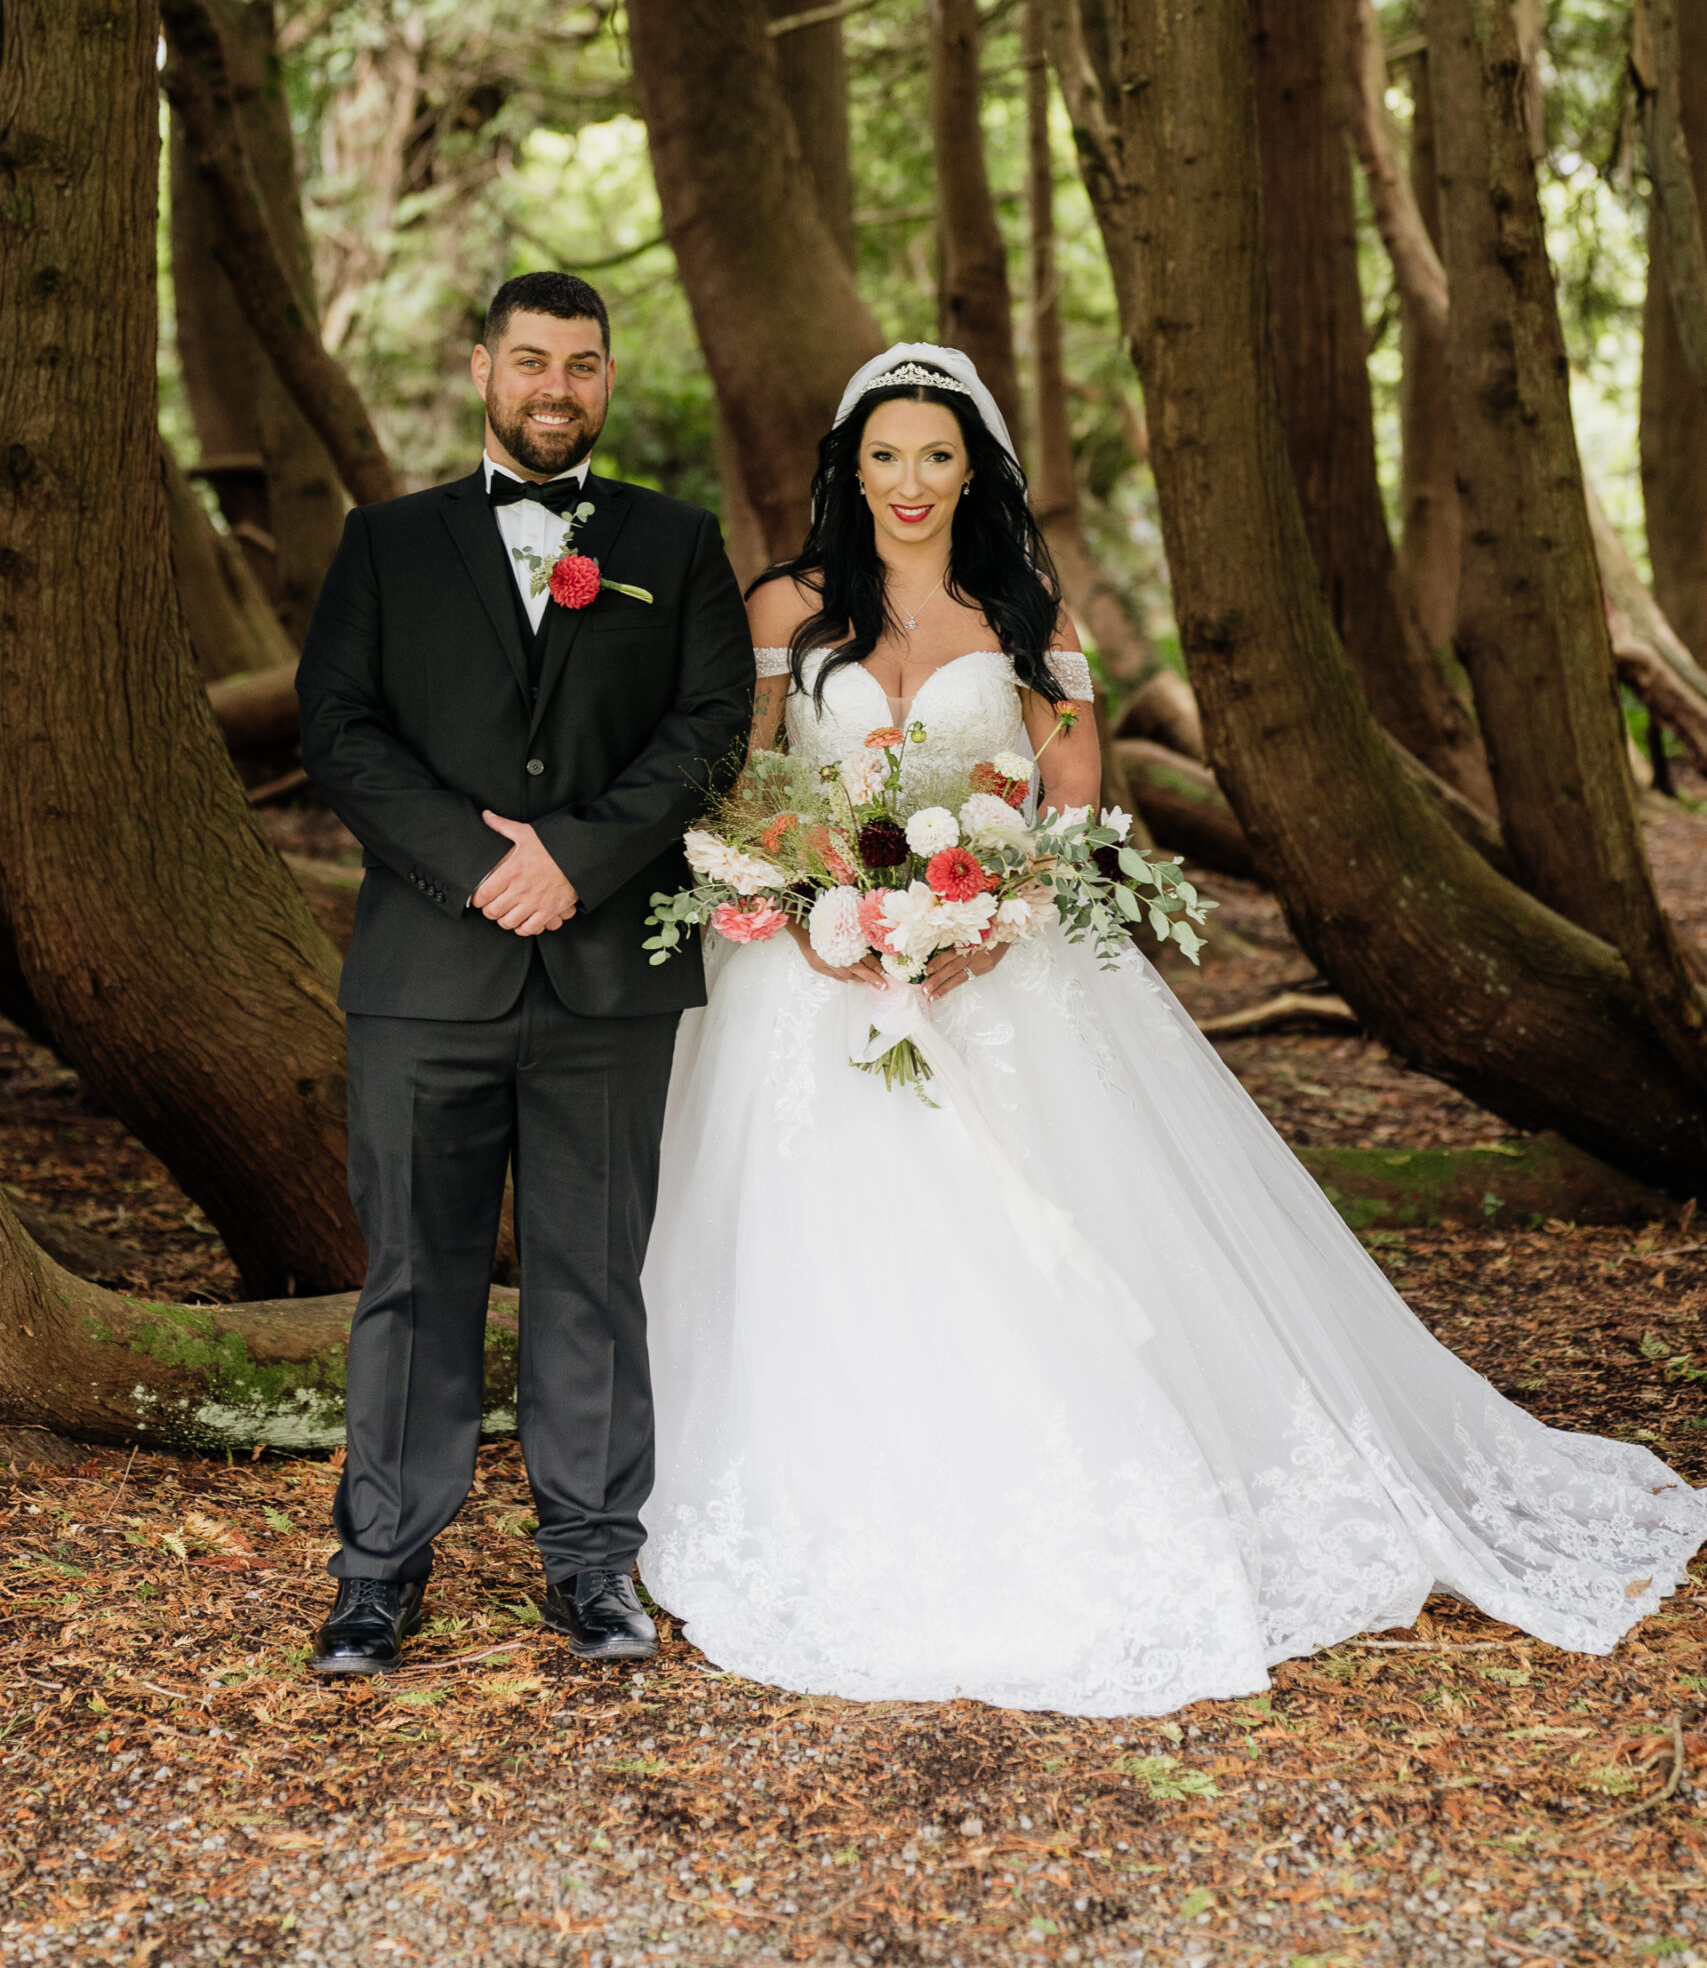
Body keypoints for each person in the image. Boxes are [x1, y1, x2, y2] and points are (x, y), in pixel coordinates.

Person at [639, 343, 1707, 1718]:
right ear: (849, 468)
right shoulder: (788, 604)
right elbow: (746, 779)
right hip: (813, 980)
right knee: (817, 1230)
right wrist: (802, 907)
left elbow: (1076, 800)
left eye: (938, 458)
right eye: (885, 457)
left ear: (978, 471)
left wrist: (990, 918)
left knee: (1054, 1229)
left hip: (992, 968)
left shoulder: (1028, 609)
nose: (909, 484)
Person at [295, 271, 752, 1678]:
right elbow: (341, 731)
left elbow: (707, 729)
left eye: (584, 366)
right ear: (481, 366)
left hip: (610, 975)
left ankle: (593, 1565)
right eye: (533, 362)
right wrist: (483, 867)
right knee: (414, 1275)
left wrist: (580, 858)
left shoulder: (674, 545)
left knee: (591, 1276)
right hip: (427, 974)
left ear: (609, 382)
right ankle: (379, 1571)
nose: (558, 388)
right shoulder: (386, 544)